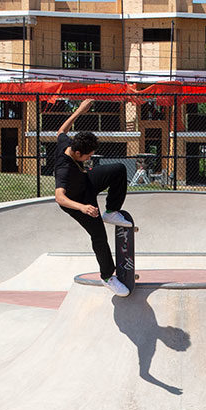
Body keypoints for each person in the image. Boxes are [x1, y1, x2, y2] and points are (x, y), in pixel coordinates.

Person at [51, 98, 136, 296]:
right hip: (76, 202)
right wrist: (83, 208)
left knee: (118, 169)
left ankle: (111, 211)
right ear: (78, 152)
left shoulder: (68, 143)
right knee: (98, 236)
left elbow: (61, 130)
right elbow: (59, 197)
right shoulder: (63, 168)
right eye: (87, 156)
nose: (90, 158)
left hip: (86, 182)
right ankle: (107, 277)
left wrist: (80, 110)